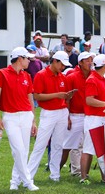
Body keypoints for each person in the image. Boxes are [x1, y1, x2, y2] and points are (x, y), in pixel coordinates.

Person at [0, 47, 39, 191]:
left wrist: (33, 120)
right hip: (10, 117)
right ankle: (28, 181)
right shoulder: (1, 73)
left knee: (23, 151)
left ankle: (14, 181)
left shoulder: (27, 76)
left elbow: (30, 98)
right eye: (27, 58)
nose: (29, 61)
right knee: (18, 150)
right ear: (20, 59)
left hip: (26, 116)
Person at [27, 51, 73, 183]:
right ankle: (29, 176)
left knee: (58, 145)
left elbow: (63, 96)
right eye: (62, 64)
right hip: (48, 113)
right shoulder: (41, 75)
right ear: (54, 61)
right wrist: (57, 95)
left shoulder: (62, 76)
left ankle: (55, 175)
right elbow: (37, 96)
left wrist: (66, 96)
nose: (63, 67)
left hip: (62, 112)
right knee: (40, 145)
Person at [80, 54, 105, 184]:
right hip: (94, 119)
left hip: (103, 117)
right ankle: (83, 178)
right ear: (104, 65)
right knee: (88, 149)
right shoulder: (92, 80)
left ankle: (104, 177)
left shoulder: (101, 78)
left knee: (104, 149)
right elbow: (89, 100)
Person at [59, 52, 95, 177]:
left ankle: (82, 172)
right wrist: (67, 117)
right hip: (75, 115)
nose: (90, 62)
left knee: (87, 146)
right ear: (80, 62)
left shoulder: (94, 76)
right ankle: (55, 171)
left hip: (90, 115)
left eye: (91, 60)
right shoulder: (72, 77)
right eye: (87, 60)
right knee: (67, 146)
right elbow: (67, 99)